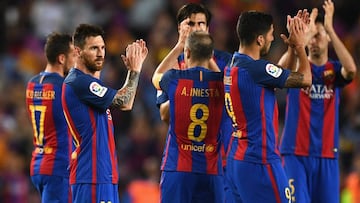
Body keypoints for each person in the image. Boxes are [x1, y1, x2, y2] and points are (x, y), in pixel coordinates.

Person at [223, 10, 312, 202]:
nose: (273, 39)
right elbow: (305, 79)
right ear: (260, 40)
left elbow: (274, 75)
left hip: (237, 159)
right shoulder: (256, 69)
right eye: (271, 34)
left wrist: (290, 50)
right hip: (260, 160)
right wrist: (300, 46)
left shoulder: (234, 64)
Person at [151, 3, 234, 201]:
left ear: (208, 29)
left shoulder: (227, 62)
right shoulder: (174, 65)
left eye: (201, 24)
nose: (196, 29)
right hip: (185, 161)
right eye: (190, 24)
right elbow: (164, 115)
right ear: (180, 28)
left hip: (220, 162)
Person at [279, 0, 357, 202]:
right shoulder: (298, 67)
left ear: (328, 39)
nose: (314, 41)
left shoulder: (334, 70)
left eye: (318, 36)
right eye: (311, 37)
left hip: (327, 156)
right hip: (295, 154)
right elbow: (278, 73)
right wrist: (297, 45)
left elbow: (351, 71)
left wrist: (330, 29)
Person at [61, 24, 148, 202]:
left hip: (103, 175)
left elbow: (124, 100)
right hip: (92, 176)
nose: (100, 53)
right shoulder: (79, 82)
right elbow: (124, 102)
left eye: (102, 48)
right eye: (94, 48)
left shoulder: (89, 86)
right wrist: (135, 70)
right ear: (77, 52)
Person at [25, 32, 76, 203]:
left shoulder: (31, 84)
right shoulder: (64, 88)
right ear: (62, 58)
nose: (75, 59)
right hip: (58, 165)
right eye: (73, 55)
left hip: (38, 163)